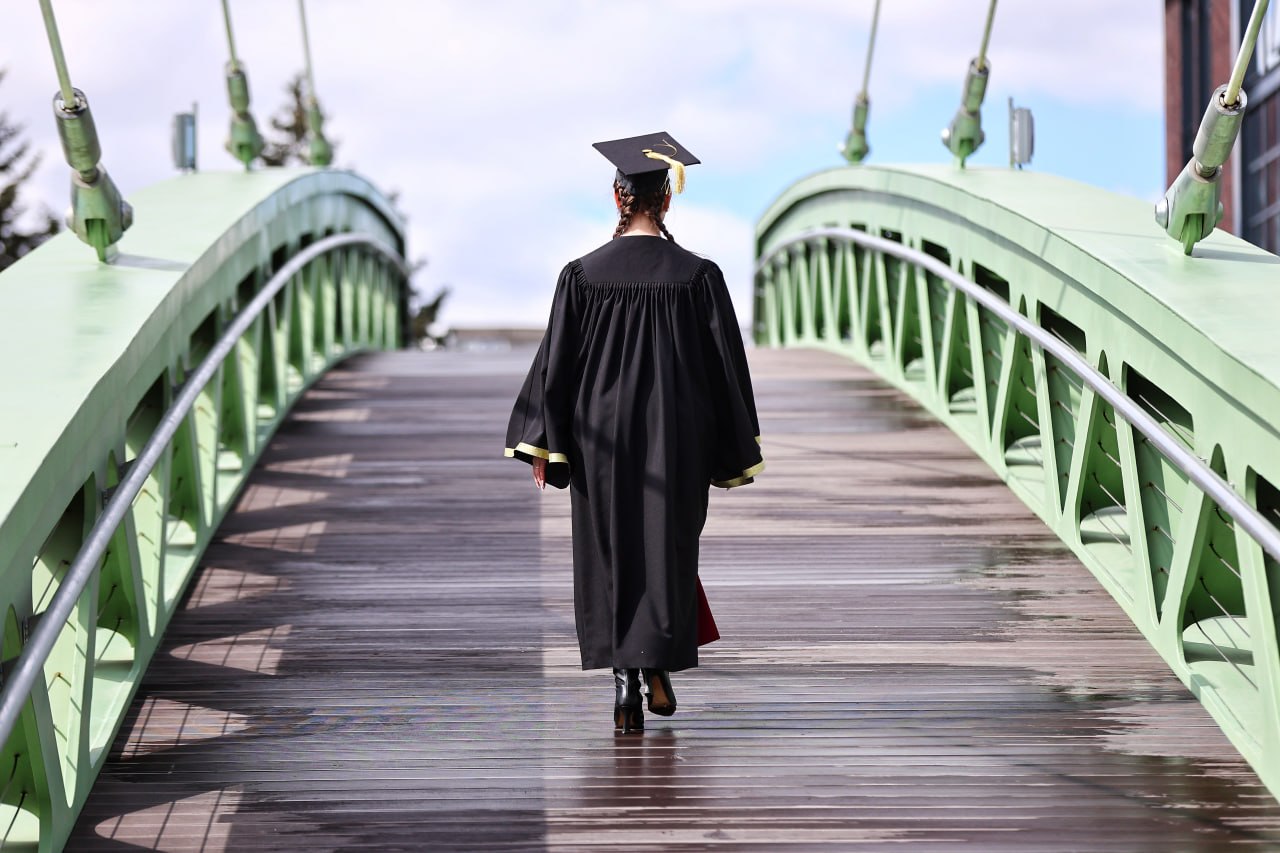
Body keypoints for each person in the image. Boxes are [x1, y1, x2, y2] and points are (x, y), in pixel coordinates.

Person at [504, 132, 763, 734]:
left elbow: (558, 363)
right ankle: (656, 668)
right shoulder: (699, 276)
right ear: (666, 202)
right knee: (667, 545)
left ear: (617, 198)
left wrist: (546, 439)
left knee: (609, 550)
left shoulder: (582, 276)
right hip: (678, 435)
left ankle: (626, 682)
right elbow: (726, 368)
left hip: (599, 436)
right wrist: (730, 449)